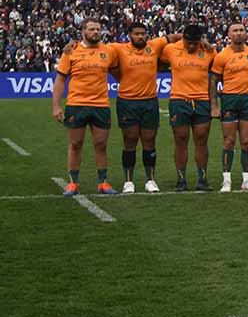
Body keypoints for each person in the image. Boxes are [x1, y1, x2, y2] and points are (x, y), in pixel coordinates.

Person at [108, 23, 179, 193]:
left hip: (150, 101)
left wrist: (201, 41)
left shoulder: (154, 45)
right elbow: (96, 48)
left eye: (143, 34)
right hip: (127, 102)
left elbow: (177, 36)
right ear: (129, 35)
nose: (140, 37)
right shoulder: (118, 48)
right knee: (130, 141)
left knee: (149, 141)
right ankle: (128, 182)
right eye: (136, 34)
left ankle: (150, 180)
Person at [52, 19, 119, 196]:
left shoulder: (108, 51)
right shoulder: (71, 51)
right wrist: (56, 105)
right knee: (75, 144)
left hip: (101, 105)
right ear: (83, 32)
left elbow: (118, 72)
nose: (96, 32)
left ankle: (103, 183)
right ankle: (73, 183)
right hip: (76, 104)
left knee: (101, 145)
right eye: (91, 29)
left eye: (98, 29)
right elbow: (60, 79)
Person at [210, 23, 248, 192]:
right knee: (229, 141)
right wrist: (214, 105)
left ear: (246, 34)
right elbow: (213, 81)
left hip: (247, 99)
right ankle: (226, 180)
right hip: (229, 100)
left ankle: (246, 181)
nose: (239, 33)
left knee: (246, 142)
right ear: (229, 35)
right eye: (235, 31)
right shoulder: (222, 56)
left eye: (241, 30)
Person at [162, 23, 216, 191]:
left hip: (202, 100)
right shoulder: (170, 49)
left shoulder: (209, 51)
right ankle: (181, 180)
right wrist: (179, 36)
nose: (192, 46)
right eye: (188, 42)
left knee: (201, 140)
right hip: (179, 100)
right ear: (183, 38)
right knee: (181, 140)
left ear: (201, 40)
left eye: (195, 42)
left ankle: (202, 179)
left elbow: (217, 72)